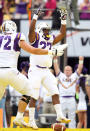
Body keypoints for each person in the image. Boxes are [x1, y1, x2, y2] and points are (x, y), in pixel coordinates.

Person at [0, 20, 63, 126]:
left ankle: (20, 118)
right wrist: (50, 51)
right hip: (10, 71)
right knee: (29, 91)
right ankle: (19, 117)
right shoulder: (18, 36)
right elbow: (32, 50)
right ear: (14, 28)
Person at [26, 8, 71, 129]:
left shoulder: (50, 39)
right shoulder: (35, 37)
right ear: (40, 30)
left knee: (55, 91)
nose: (47, 32)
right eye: (45, 30)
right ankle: (31, 120)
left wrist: (63, 20)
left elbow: (61, 34)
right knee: (34, 95)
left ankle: (60, 115)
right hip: (35, 70)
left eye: (48, 30)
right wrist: (35, 17)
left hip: (46, 70)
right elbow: (30, 31)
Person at [53, 56, 84, 128]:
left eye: (69, 70)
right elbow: (56, 68)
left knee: (72, 117)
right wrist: (55, 59)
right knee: (62, 117)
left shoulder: (74, 76)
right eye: (66, 70)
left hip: (71, 99)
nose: (67, 71)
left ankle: (72, 129)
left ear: (72, 71)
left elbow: (79, 69)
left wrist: (81, 61)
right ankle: (62, 129)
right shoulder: (61, 75)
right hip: (62, 98)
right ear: (64, 71)